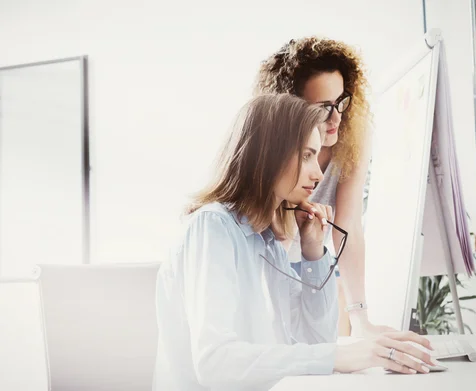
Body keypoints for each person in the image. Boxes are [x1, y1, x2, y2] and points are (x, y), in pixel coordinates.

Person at [153, 94, 434, 391]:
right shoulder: (213, 227)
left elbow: (315, 342)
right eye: (306, 155)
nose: (319, 173)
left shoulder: (267, 242)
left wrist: (313, 253)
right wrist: (343, 354)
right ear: (269, 154)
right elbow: (216, 363)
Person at [255, 37, 393, 336]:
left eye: (341, 101)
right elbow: (273, 237)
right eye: (322, 107)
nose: (336, 118)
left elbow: (348, 226)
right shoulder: (274, 145)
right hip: (271, 261)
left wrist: (361, 321)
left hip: (313, 255)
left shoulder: (353, 132)